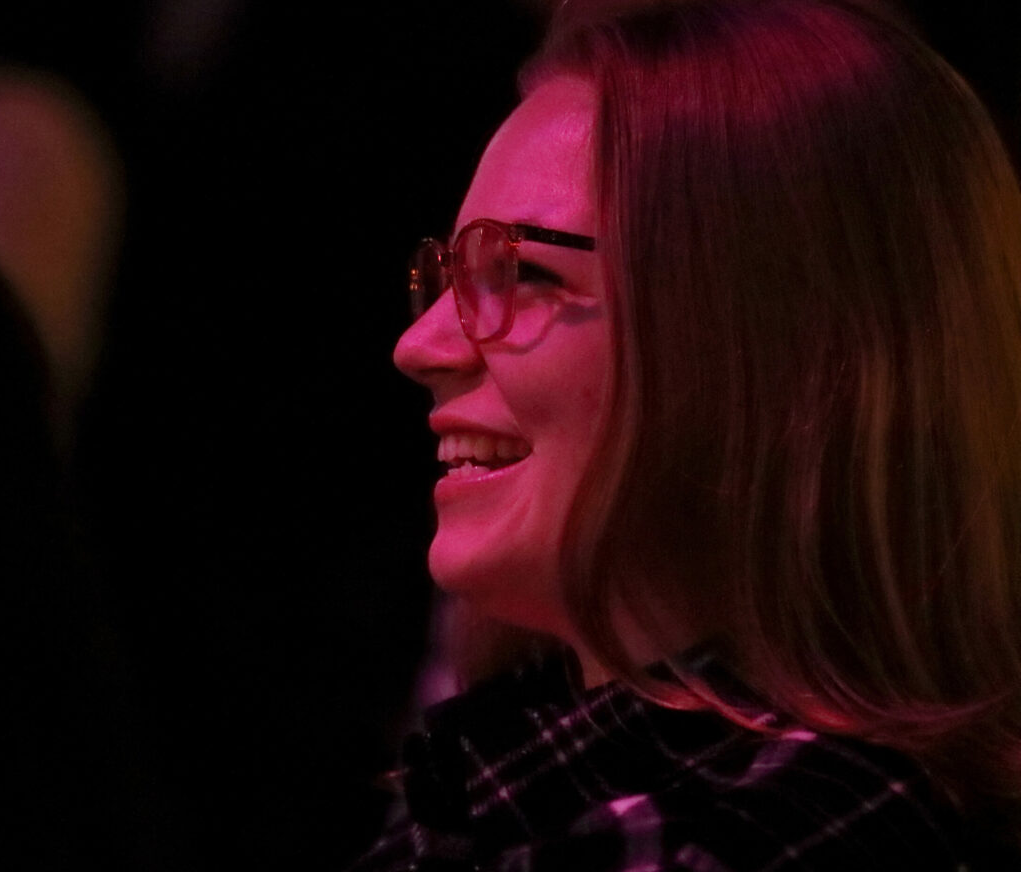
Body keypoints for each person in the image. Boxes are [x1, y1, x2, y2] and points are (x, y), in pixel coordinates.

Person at [352, 0, 1021, 868]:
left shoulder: (751, 843)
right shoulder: (512, 786)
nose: (420, 345)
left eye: (519, 272)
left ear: (769, 343)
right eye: (446, 278)